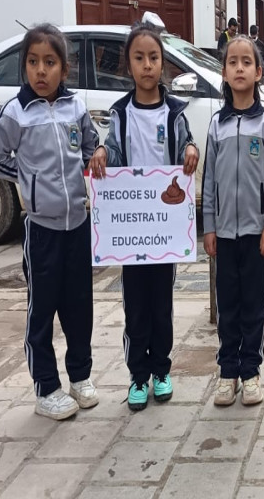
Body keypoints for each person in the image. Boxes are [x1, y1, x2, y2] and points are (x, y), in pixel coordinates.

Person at [0, 24, 100, 420]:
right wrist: (30, 181)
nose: (40, 71)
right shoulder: (15, 113)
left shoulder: (76, 109)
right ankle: (46, 388)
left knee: (79, 306)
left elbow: (90, 148)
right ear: (24, 67)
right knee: (43, 308)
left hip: (78, 225)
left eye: (49, 63)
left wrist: (98, 156)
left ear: (64, 70)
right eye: (33, 62)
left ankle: (80, 377)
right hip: (42, 229)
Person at [88, 23, 200, 411]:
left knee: (161, 304)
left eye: (154, 58)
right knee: (134, 305)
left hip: (164, 233)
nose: (147, 66)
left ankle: (162, 370)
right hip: (131, 234)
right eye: (139, 58)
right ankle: (137, 375)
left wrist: (190, 150)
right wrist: (102, 154)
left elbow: (187, 143)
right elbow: (112, 156)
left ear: (163, 64)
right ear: (129, 65)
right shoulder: (120, 115)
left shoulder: (174, 113)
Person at [203, 35, 264, 407]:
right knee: (228, 304)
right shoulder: (215, 126)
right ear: (223, 71)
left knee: (254, 304)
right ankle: (227, 372)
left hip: (254, 236)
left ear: (258, 72)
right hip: (224, 234)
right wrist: (209, 226)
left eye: (245, 62)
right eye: (232, 62)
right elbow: (208, 181)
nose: (238, 68)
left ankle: (250, 370)